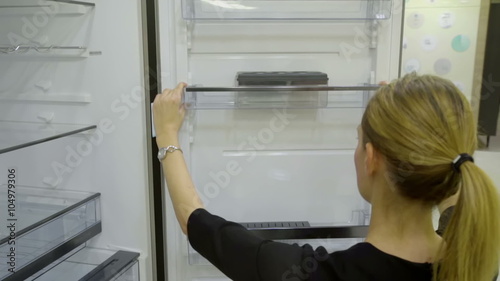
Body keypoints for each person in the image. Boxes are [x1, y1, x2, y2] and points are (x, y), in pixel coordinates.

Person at [153, 74, 500, 281]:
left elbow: (193, 220)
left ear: (370, 158)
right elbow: (449, 175)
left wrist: (166, 134)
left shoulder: (314, 275)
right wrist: (409, 122)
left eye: (358, 138)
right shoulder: (476, 258)